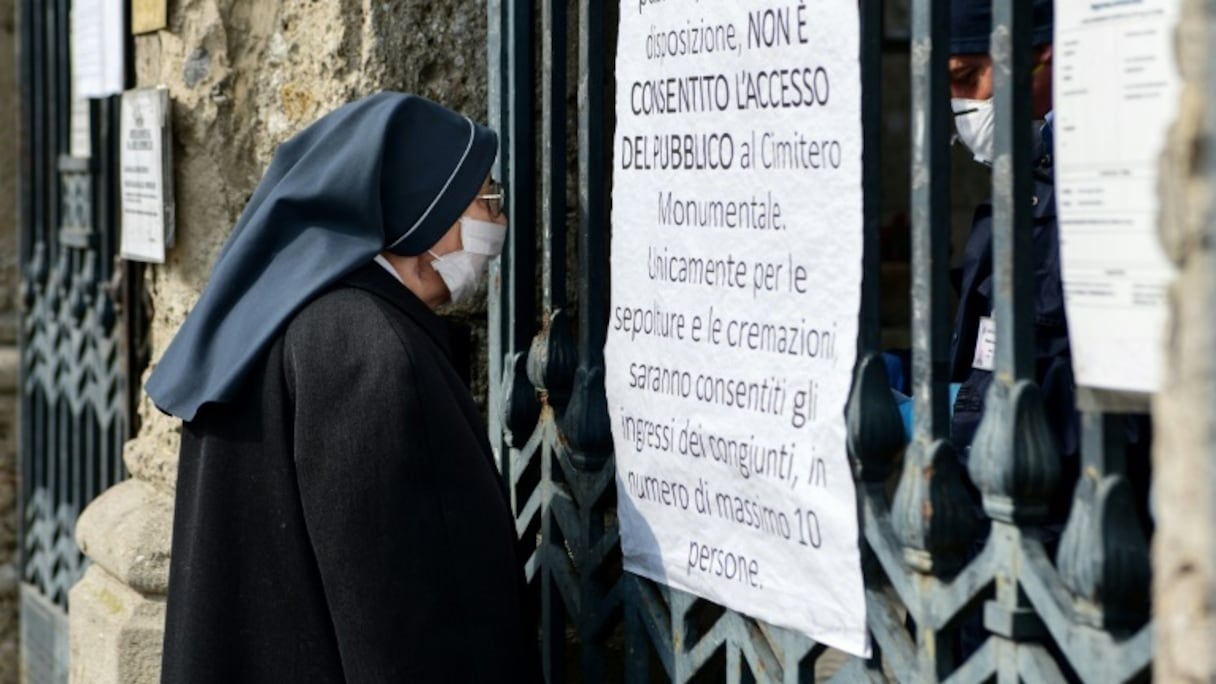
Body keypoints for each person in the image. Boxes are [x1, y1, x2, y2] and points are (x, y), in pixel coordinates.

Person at [146, 93, 541, 683]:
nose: (499, 220)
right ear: (426, 210)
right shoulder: (366, 349)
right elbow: (408, 625)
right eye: (488, 199)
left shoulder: (276, 321)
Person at [945, 0, 1080, 527]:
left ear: (1041, 57)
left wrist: (951, 413)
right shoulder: (1021, 184)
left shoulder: (1095, 191)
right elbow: (997, 346)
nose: (959, 105)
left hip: (1061, 546)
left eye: (970, 76)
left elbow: (1106, 412)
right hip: (982, 531)